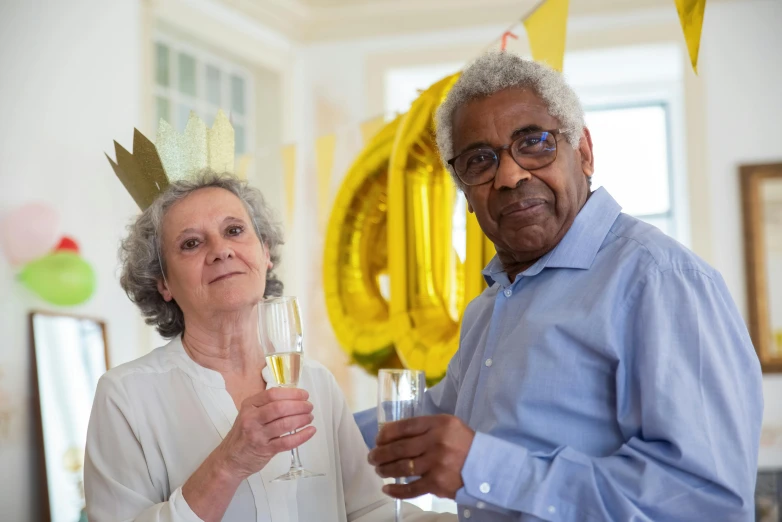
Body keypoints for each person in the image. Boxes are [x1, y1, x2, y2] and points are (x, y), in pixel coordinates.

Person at [360, 51, 763, 521]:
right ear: (466, 193)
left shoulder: (661, 280)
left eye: (534, 144)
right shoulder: (493, 303)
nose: (510, 176)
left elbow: (703, 502)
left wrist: (484, 467)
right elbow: (430, 416)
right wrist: (292, 425)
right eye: (480, 161)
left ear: (584, 152)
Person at [85, 171, 453, 521]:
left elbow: (371, 512)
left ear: (265, 253)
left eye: (234, 230)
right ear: (162, 283)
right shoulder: (125, 396)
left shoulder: (316, 382)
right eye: (191, 243)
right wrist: (231, 461)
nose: (221, 250)